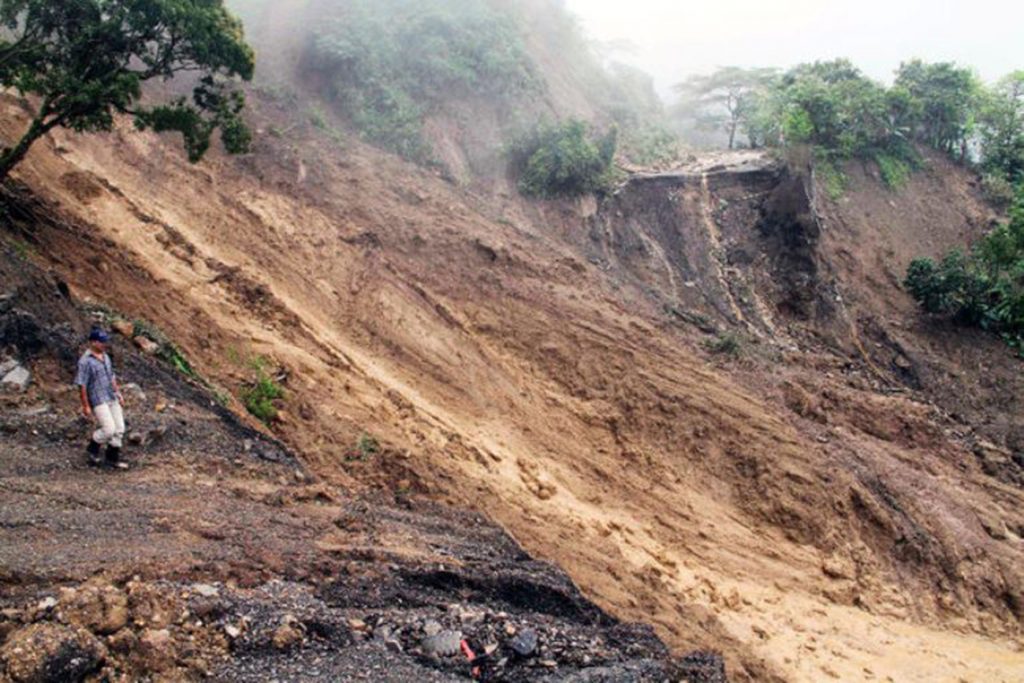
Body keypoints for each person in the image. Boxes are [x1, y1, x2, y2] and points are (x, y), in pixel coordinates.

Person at [75, 327, 127, 469]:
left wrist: (119, 394)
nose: (104, 344)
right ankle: (92, 449)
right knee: (108, 429)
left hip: (111, 396)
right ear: (92, 342)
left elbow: (112, 377)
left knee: (119, 429)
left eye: (104, 342)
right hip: (98, 398)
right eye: (100, 342)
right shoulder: (85, 361)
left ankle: (112, 459)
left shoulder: (106, 357)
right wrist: (86, 405)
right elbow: (82, 384)